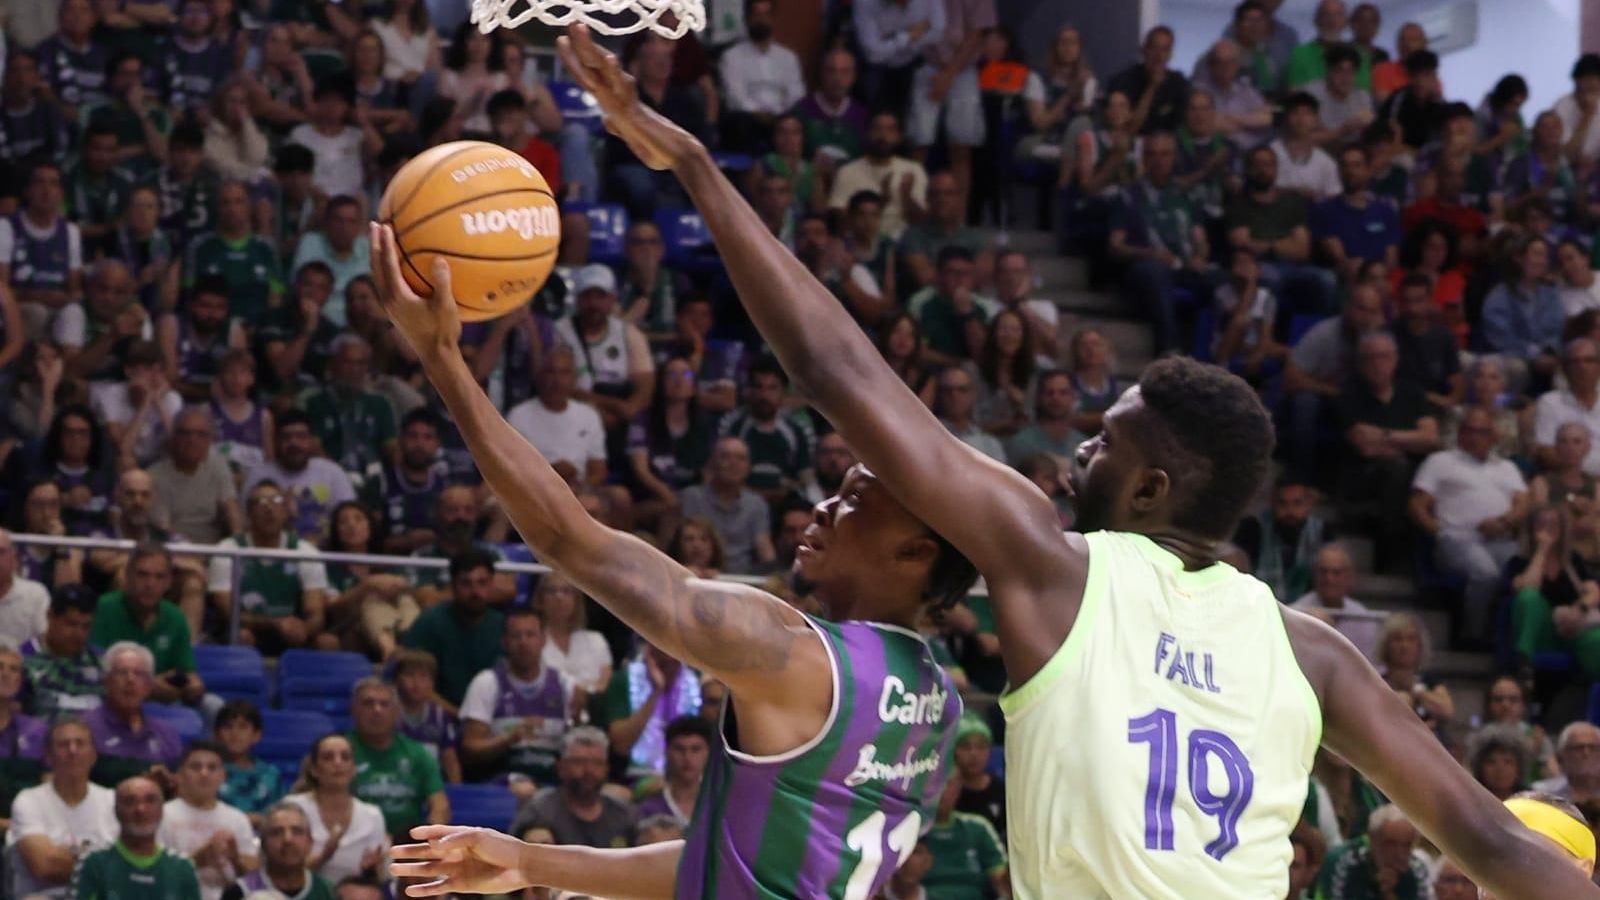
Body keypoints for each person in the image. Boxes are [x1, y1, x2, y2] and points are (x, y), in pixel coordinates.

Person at [411, 27, 1600, 900]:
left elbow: (838, 372)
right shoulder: (1317, 650)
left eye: (1103, 442)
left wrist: (702, 176)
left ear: (1148, 490)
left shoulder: (1056, 569)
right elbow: (1500, 851)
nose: (1075, 451)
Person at [1409, 407, 1529, 643]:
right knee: (1486, 574)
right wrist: (1440, 530)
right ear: (1460, 433)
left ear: (1493, 436)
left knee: (1526, 576)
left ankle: (1510, 642)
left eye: (1482, 431)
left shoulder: (1507, 467)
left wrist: (1505, 521)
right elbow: (1416, 504)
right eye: (1469, 430)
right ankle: (1473, 636)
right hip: (1458, 537)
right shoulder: (1440, 461)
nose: (1475, 436)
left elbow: (1524, 502)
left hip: (1502, 537)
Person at [460, 607, 581, 791]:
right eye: (516, 636)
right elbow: (470, 748)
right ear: (505, 642)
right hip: (501, 778)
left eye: (530, 635)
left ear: (543, 640)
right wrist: (509, 739)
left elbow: (579, 742)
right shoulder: (486, 683)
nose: (523, 642)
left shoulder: (566, 685)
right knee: (525, 790)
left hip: (556, 779)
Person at [208, 480, 332, 653]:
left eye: (277, 501)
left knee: (327, 642)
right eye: (261, 503)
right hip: (248, 629)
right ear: (248, 514)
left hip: (291, 632)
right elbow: (228, 613)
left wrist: (304, 628)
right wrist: (275, 623)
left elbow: (316, 613)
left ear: (286, 511)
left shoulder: (305, 551)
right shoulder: (228, 550)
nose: (269, 509)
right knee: (242, 636)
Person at [6, 718, 117, 899]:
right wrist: (106, 866)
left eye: (80, 744)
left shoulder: (113, 801)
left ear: (94, 754)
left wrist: (66, 857)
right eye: (63, 745)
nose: (72, 750)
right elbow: (46, 867)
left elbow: (129, 866)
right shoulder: (29, 800)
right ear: (48, 756)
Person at [88, 545, 206, 707]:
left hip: (165, 703)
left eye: (159, 577)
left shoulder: (175, 617)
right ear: (127, 576)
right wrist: (148, 686)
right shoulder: (103, 608)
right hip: (112, 701)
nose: (150, 584)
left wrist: (193, 685)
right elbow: (93, 674)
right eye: (142, 575)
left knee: (212, 705)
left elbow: (187, 670)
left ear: (169, 582)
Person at [399, 550, 507, 707]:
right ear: (453, 585)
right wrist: (458, 716)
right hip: (438, 714)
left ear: (491, 584)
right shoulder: (431, 622)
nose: (475, 592)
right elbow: (408, 679)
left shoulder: (503, 625)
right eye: (466, 583)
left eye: (482, 583)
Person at [158, 740, 259, 900]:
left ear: (223, 776)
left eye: (212, 768)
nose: (204, 773)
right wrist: (198, 859)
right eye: (196, 767)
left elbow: (254, 878)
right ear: (180, 775)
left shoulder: (237, 819)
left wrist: (234, 858)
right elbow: (155, 875)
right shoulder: (162, 815)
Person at [347, 678, 448, 839]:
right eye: (368, 703)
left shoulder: (417, 753)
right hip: (354, 841)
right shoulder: (338, 752)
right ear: (353, 710)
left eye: (384, 704)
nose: (377, 710)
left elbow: (439, 804)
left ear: (396, 712)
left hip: (405, 843)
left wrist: (431, 835)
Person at [73, 775, 202, 900]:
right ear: (116, 811)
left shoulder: (183, 868)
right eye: (130, 801)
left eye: (150, 800)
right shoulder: (94, 863)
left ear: (162, 809)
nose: (141, 809)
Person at [505, 727, 636, 848]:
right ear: (561, 767)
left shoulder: (623, 813)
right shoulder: (539, 810)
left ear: (607, 769)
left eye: (597, 763)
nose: (589, 770)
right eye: (579, 762)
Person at [284, 734, 388, 885]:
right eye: (328, 757)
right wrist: (324, 857)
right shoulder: (292, 809)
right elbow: (282, 874)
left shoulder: (372, 815)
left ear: (353, 769)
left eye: (345, 757)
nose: (338, 763)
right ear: (314, 769)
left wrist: (373, 869)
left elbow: (380, 879)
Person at [242, 409, 357, 542]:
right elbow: (245, 523)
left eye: (301, 437)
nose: (294, 443)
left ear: (312, 440)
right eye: (286, 437)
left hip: (326, 555)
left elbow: (348, 517)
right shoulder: (258, 476)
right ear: (276, 441)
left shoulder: (332, 472)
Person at [85, 641, 184, 787]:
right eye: (122, 673)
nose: (130, 680)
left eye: (139, 674)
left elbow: (180, 787)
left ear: (149, 686)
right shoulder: (86, 728)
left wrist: (169, 782)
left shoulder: (167, 734)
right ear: (106, 682)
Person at [677, 436, 777, 574]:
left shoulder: (756, 505)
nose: (733, 463)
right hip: (697, 575)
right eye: (725, 456)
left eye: (741, 458)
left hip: (743, 580)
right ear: (712, 463)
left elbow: (766, 553)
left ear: (749, 467)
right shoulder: (691, 497)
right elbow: (672, 548)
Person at [149, 406, 245, 545]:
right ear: (174, 438)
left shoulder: (218, 465)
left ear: (210, 441)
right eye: (185, 433)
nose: (192, 440)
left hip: (215, 549)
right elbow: (164, 530)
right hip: (176, 551)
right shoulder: (154, 476)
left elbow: (232, 510)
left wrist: (239, 547)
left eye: (201, 434)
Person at [1235, 478, 1334, 603]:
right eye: (1283, 504)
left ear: (1309, 504)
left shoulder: (1321, 530)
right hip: (1259, 602)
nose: (1290, 511)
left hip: (1309, 606)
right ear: (1272, 503)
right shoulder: (1253, 528)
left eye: (1297, 503)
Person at [219, 802, 335, 900]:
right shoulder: (240, 892)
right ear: (263, 844)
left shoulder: (327, 891)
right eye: (277, 832)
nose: (287, 839)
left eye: (297, 831)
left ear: (310, 842)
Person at [1315, 804, 1433, 900]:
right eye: (1390, 844)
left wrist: (1389, 894)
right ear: (1372, 839)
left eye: (1406, 845)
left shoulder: (1417, 871)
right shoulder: (1342, 862)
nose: (1399, 853)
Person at [21, 583, 103, 720]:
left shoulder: (102, 661)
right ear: (50, 616)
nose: (78, 634)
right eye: (71, 624)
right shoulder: (22, 660)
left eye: (86, 626)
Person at [1289, 544, 1380, 661]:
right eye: (1323, 571)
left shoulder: (1364, 619)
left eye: (1336, 573)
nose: (1329, 579)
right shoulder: (1295, 614)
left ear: (1349, 576)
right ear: (1314, 575)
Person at [535, 574, 612, 694]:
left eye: (566, 591)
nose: (559, 597)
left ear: (576, 599)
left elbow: (602, 686)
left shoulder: (596, 641)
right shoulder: (532, 642)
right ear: (540, 599)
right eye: (551, 591)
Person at [1106, 26, 1190, 135]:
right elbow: (1128, 129)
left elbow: (1183, 126)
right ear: (1144, 50)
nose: (1159, 56)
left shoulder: (1178, 83)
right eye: (1154, 48)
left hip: (1167, 146)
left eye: (1165, 50)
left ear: (1170, 55)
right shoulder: (1123, 81)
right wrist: (1152, 87)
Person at [214, 701, 283, 824]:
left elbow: (279, 816)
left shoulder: (271, 774)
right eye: (228, 727)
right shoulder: (209, 771)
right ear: (217, 734)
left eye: (243, 727)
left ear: (256, 735)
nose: (235, 733)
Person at [634, 715, 709, 825]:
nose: (687, 757)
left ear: (708, 753)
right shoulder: (649, 807)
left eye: (695, 749)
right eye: (679, 749)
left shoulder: (719, 805)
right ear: (667, 751)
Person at [951, 712, 1005, 839]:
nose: (974, 754)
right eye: (965, 747)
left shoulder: (1001, 791)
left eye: (981, 747)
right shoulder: (944, 794)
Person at [0, 528, 47, 648]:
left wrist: (19, 657)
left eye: (1, 552)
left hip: (26, 664)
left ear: (14, 558)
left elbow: (44, 640)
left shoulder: (35, 594)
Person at [1533, 723, 1600, 804]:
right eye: (1579, 748)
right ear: (1563, 753)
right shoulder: (1542, 793)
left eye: (1593, 747)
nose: (1586, 753)